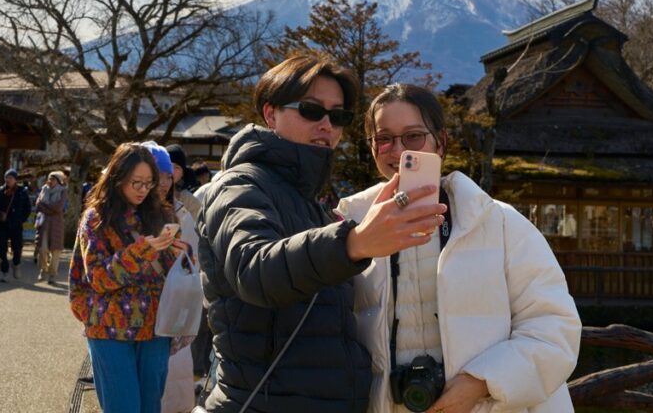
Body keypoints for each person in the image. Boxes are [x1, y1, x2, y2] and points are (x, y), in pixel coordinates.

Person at [197, 54, 442, 412]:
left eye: (338, 116)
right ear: (270, 114)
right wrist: (354, 243)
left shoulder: (312, 204)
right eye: (311, 110)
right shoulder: (239, 185)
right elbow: (254, 270)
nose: (327, 125)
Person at [336, 83, 581, 413]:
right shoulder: (349, 230)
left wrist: (481, 381)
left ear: (441, 142)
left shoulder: (499, 223)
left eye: (413, 137)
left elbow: (554, 327)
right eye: (384, 139)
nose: (399, 151)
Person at [68, 143, 188, 413]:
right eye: (136, 182)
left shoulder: (162, 214)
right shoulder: (96, 219)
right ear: (117, 178)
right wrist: (143, 250)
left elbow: (168, 275)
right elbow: (99, 278)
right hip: (109, 328)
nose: (144, 190)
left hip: (155, 328)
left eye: (149, 182)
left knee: (150, 407)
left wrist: (179, 254)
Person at [142, 142, 200, 413]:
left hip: (173, 303)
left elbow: (193, 258)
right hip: (140, 309)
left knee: (173, 378)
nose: (165, 181)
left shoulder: (183, 210)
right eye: (160, 175)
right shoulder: (127, 214)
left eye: (170, 174)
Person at [0, 169, 31, 282]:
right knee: (2, 249)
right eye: (6, 177)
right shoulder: (0, 192)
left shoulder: (22, 192)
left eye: (10, 178)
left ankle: (16, 263)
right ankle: (5, 272)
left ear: (15, 180)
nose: (8, 180)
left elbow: (27, 209)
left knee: (17, 248)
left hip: (16, 225)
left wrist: (21, 219)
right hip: (3, 225)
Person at [36, 171, 68, 285]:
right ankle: (43, 269)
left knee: (56, 251)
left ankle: (52, 274)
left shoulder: (63, 191)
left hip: (56, 225)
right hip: (44, 224)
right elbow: (38, 204)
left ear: (58, 181)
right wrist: (50, 209)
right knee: (42, 249)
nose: (50, 181)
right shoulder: (44, 190)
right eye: (49, 179)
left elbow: (58, 208)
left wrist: (46, 207)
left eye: (53, 179)